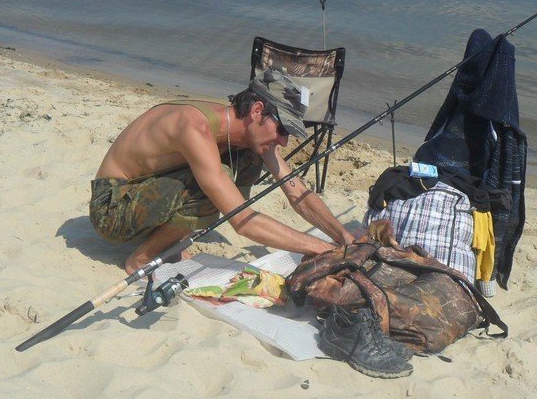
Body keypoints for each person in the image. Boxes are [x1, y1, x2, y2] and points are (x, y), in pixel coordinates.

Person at [90, 69, 354, 274]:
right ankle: (141, 258)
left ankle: (169, 240)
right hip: (113, 207)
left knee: (249, 158)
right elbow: (243, 221)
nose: (284, 142)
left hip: (148, 191)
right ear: (257, 110)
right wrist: (322, 248)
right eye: (282, 130)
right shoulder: (195, 128)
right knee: (218, 180)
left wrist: (342, 236)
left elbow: (295, 190)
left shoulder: (244, 127)